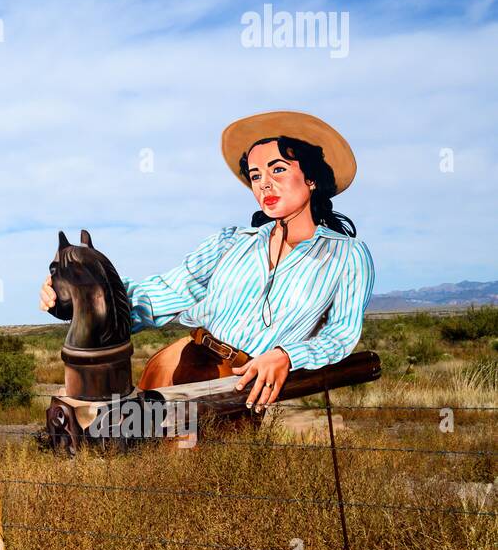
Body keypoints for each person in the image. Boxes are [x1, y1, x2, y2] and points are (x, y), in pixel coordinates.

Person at [40, 111, 374, 413]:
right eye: (256, 176)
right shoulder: (231, 242)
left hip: (242, 383)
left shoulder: (346, 256)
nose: (265, 184)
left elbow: (341, 335)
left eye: (278, 170)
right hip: (181, 364)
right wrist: (85, 298)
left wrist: (287, 356)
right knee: (144, 460)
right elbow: (166, 291)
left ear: (312, 179)